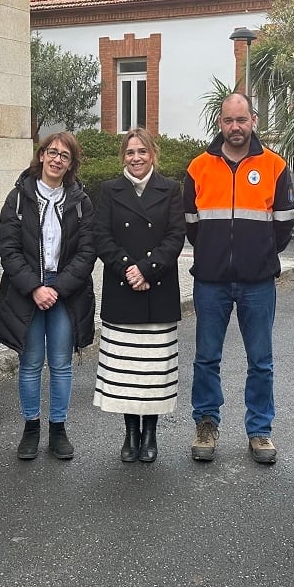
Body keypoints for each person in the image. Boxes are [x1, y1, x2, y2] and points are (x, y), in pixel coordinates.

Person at [183, 93, 294, 465]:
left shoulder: (275, 166)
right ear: (220, 123)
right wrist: (215, 254)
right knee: (205, 359)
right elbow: (191, 225)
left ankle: (260, 430)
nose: (236, 127)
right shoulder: (198, 167)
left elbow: (283, 225)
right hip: (211, 281)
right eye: (229, 120)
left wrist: (258, 255)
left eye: (242, 120)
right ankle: (206, 424)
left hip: (257, 282)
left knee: (260, 360)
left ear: (254, 121)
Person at [0, 132, 96, 460]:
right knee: (30, 362)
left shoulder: (81, 201)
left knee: (62, 363)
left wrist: (56, 288)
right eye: (52, 152)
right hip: (27, 290)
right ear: (41, 155)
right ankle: (30, 428)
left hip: (65, 292)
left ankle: (58, 429)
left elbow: (87, 251)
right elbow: (7, 248)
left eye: (64, 156)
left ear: (71, 164)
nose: (57, 159)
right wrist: (34, 287)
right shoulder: (18, 198)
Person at [92, 128, 187, 463]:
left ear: (153, 155)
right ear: (123, 156)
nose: (136, 158)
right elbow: (101, 235)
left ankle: (151, 433)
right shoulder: (110, 190)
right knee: (126, 373)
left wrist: (148, 269)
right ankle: (130, 433)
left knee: (153, 372)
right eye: (130, 152)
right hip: (122, 290)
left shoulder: (171, 189)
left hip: (158, 290)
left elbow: (177, 236)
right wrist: (127, 269)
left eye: (142, 152)